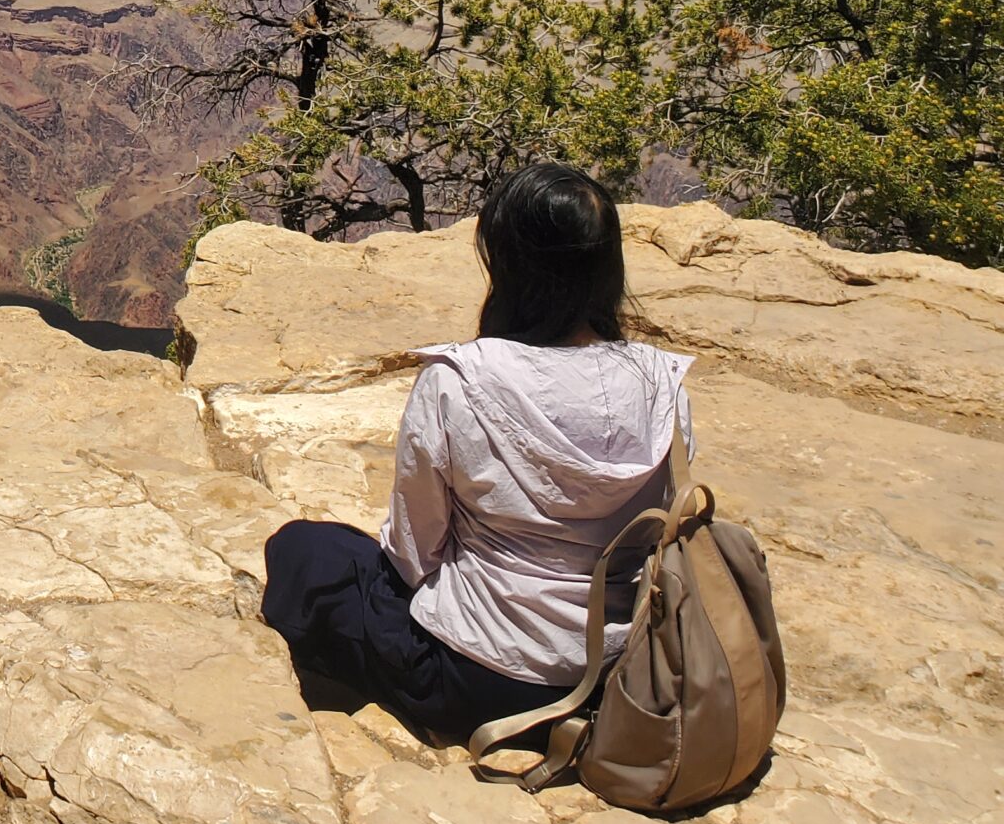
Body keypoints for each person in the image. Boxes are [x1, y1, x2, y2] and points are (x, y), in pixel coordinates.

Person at [260, 162, 695, 744]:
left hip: (477, 681)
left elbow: (415, 554)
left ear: (511, 267)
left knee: (306, 551)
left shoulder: (458, 382)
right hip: (617, 674)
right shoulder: (662, 385)